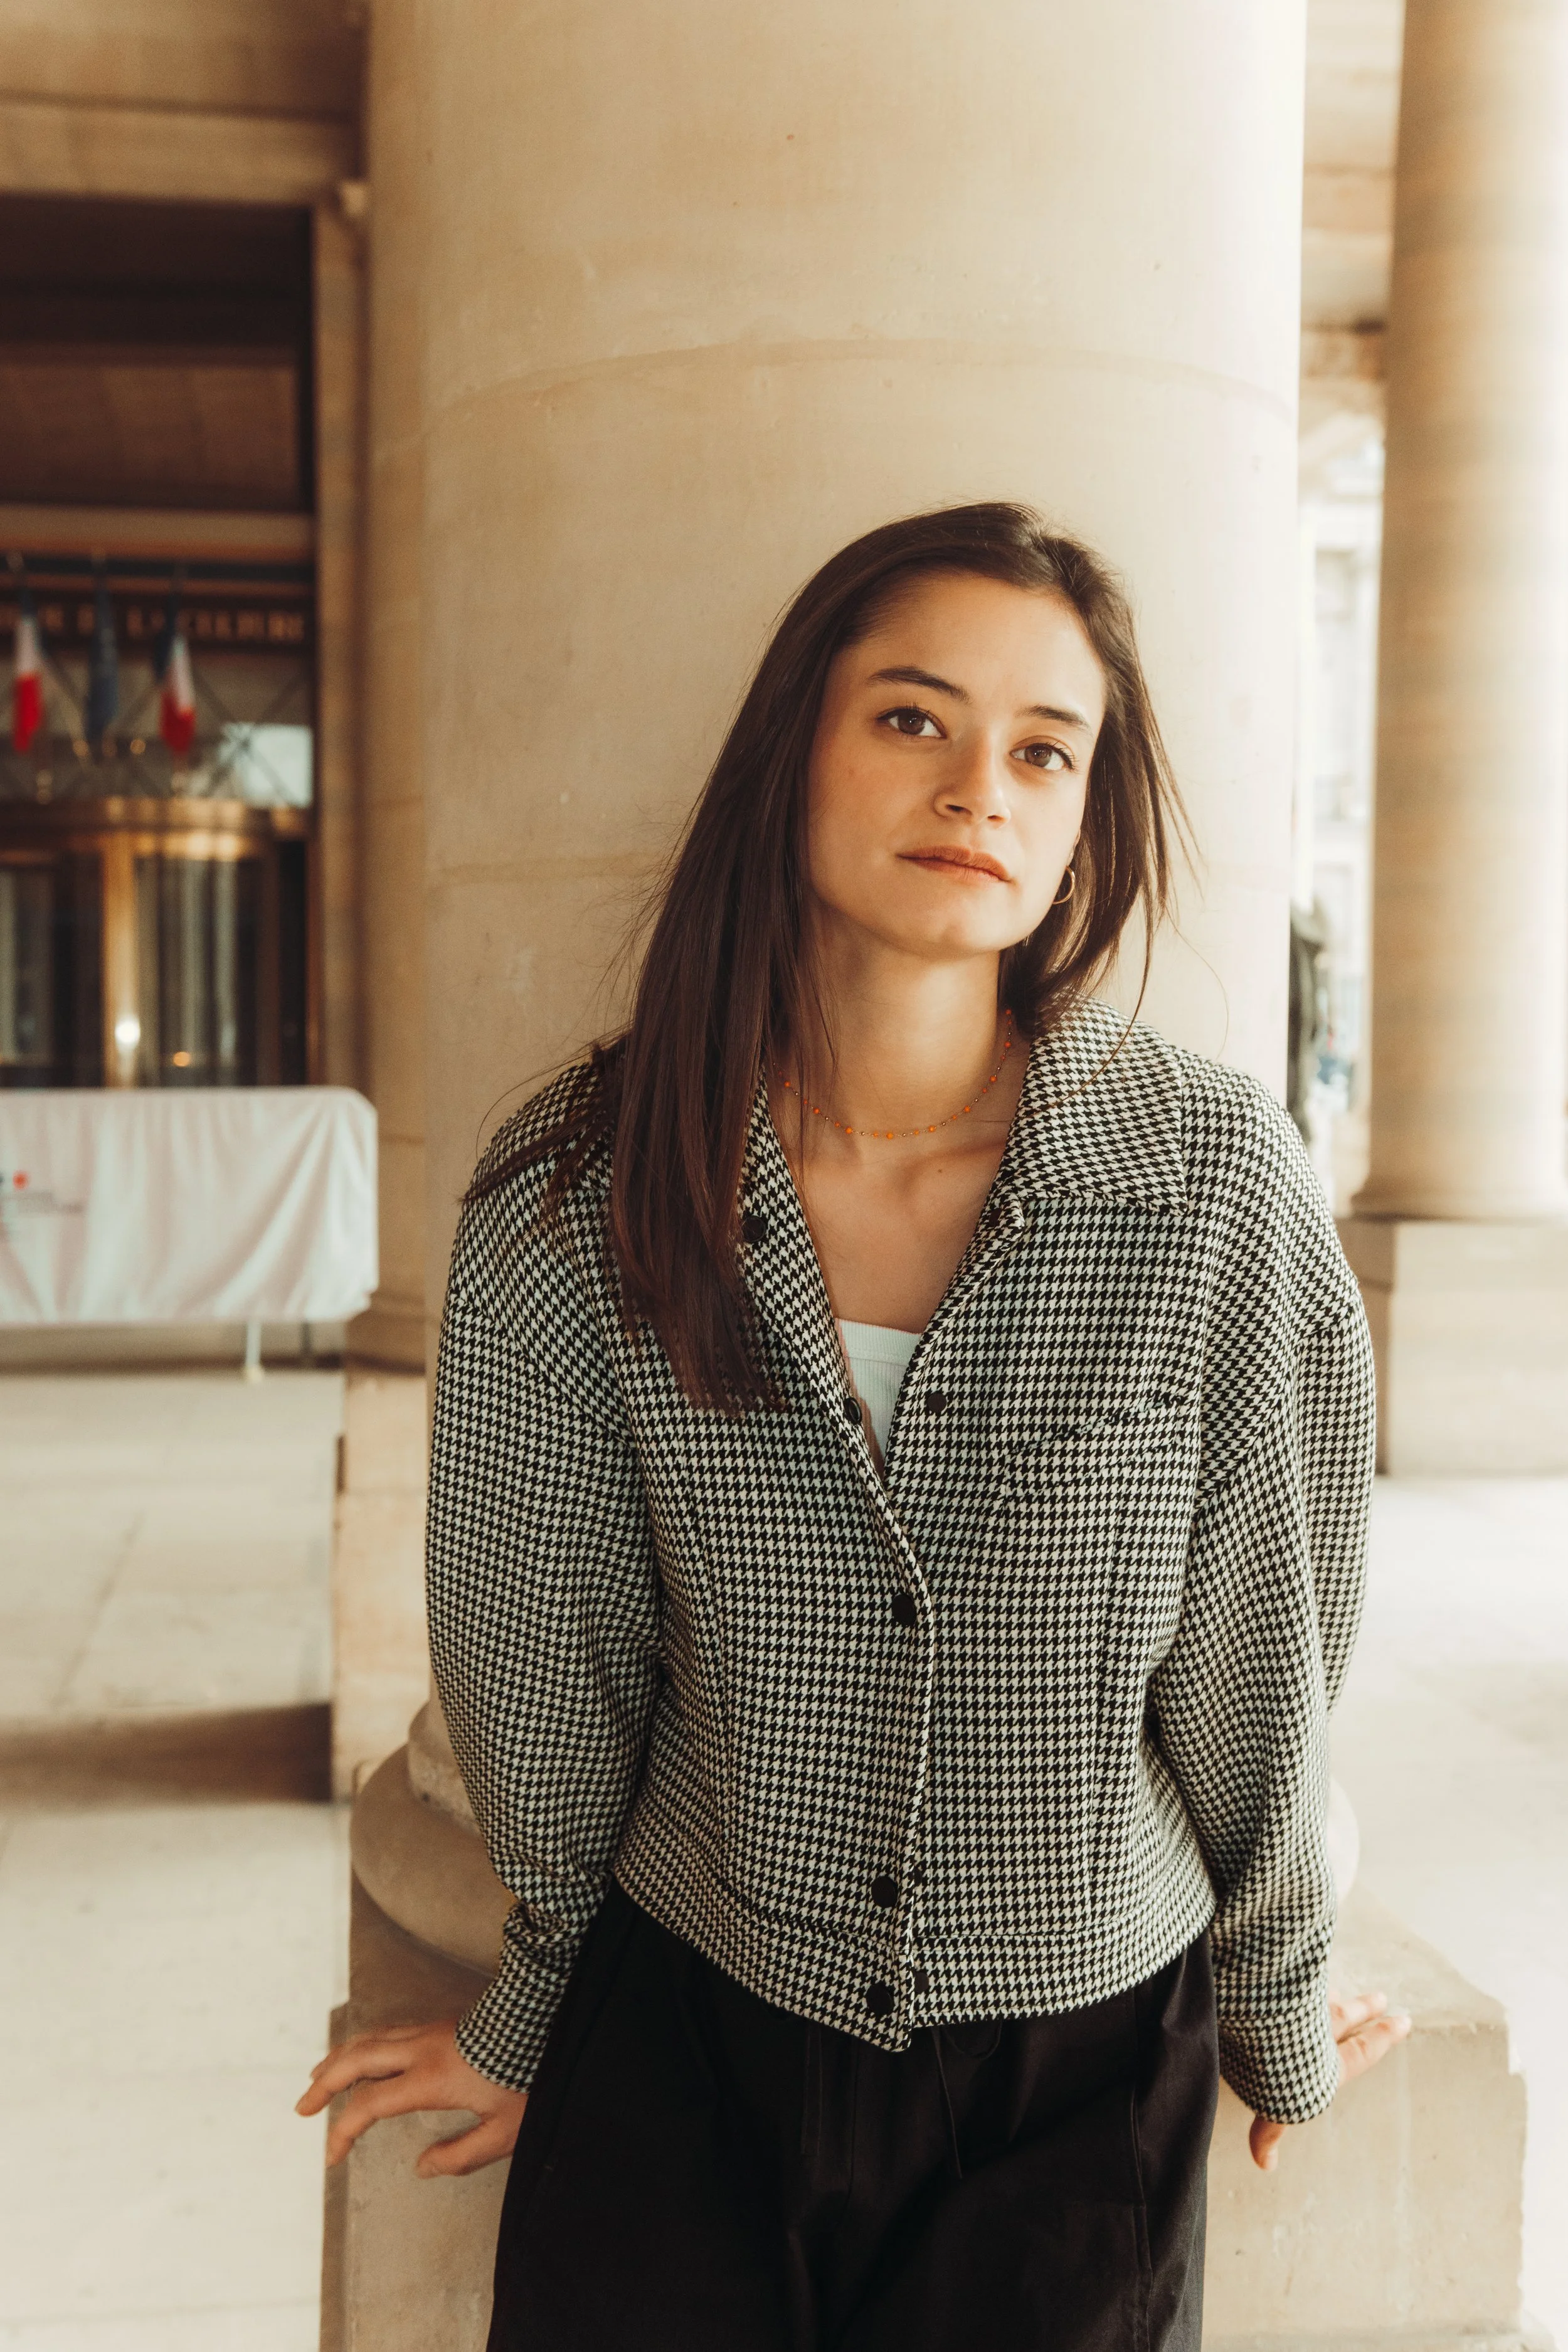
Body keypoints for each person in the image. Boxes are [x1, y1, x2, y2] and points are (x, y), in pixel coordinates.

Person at [299, 504, 1407, 2351]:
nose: (980, 781)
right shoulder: (575, 1189)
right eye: (911, 717)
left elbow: (1259, 1657)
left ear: (1081, 822)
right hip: (687, 2037)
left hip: (1078, 2082)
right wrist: (537, 2009)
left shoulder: (1213, 1190)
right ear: (791, 751)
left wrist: (1278, 2000)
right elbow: (542, 1660)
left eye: (1043, 749)